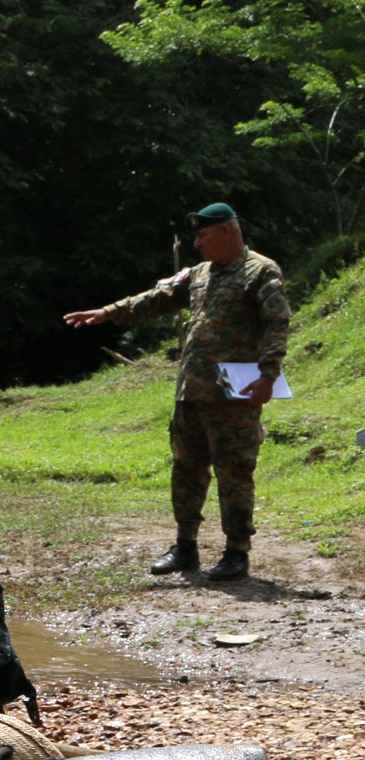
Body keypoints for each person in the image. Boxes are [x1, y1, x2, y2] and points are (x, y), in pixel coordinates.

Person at [64, 201, 291, 581]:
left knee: (234, 471)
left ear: (226, 231)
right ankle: (185, 546)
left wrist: (268, 375)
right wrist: (108, 312)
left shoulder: (260, 271)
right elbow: (156, 299)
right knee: (186, 470)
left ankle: (236, 551)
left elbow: (277, 321)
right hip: (191, 392)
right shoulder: (199, 274)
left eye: (202, 235)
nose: (197, 243)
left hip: (234, 394)